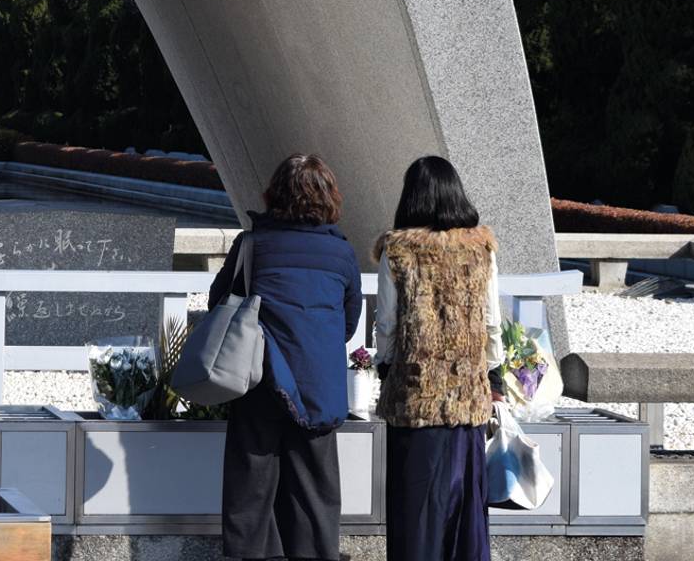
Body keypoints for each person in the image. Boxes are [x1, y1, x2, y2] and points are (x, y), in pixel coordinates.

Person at [212, 153, 362, 561]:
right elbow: (348, 324)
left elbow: (219, 305)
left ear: (275, 193)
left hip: (259, 378)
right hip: (318, 387)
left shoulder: (252, 245)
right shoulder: (341, 253)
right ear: (328, 197)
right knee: (315, 493)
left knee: (251, 491)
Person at [373, 156, 504, 561]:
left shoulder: (397, 251)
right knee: (465, 515)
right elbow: (492, 324)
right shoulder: (482, 249)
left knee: (416, 516)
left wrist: (386, 368)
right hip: (467, 404)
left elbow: (387, 326)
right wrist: (493, 378)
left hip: (415, 404)